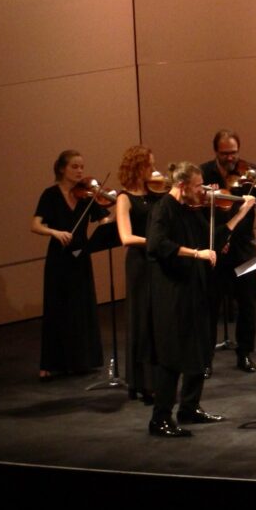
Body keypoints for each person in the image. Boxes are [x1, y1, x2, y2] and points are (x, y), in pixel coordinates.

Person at [145, 162, 256, 437]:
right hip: (173, 290)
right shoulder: (164, 208)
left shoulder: (190, 209)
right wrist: (195, 254)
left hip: (195, 286)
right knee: (173, 352)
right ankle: (160, 418)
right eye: (198, 186)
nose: (204, 191)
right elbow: (156, 244)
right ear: (183, 186)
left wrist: (241, 212)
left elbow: (212, 240)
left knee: (200, 347)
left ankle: (190, 408)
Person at [200, 130, 256, 373]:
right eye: (225, 153)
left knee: (247, 303)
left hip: (243, 246)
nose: (230, 158)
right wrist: (208, 196)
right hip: (215, 246)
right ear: (216, 152)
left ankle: (244, 353)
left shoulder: (251, 172)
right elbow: (195, 207)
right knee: (210, 305)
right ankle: (205, 360)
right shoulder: (204, 173)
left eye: (234, 152)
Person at [29, 150, 111, 381]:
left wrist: (115, 213)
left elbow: (104, 219)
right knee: (57, 307)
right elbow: (35, 225)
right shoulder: (50, 194)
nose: (80, 171)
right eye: (75, 167)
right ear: (62, 168)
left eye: (82, 167)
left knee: (81, 307)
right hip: (59, 257)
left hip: (81, 254)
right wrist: (55, 232)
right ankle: (51, 362)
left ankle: (82, 360)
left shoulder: (86, 196)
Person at [114, 146, 162, 403]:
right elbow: (126, 237)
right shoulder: (124, 198)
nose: (154, 169)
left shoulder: (156, 192)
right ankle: (142, 382)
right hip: (139, 264)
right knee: (141, 319)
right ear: (137, 167)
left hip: (157, 261)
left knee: (156, 320)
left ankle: (158, 378)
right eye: (149, 165)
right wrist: (156, 241)